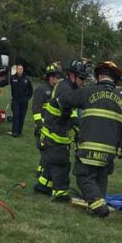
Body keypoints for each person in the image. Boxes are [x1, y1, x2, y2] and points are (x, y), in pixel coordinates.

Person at [57, 59, 122, 218]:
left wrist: (64, 113)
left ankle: (99, 208)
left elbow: (64, 100)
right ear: (115, 79)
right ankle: (99, 202)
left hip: (88, 149)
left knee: (84, 177)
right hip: (109, 152)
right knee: (101, 177)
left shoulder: (87, 92)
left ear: (98, 76)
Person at [31, 62, 75, 199]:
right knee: (48, 155)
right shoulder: (41, 90)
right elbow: (36, 110)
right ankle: (42, 176)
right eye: (54, 76)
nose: (55, 79)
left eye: (57, 76)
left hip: (54, 128)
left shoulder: (60, 89)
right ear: (49, 77)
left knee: (50, 157)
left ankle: (43, 183)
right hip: (45, 128)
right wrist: (40, 126)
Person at [0, 61, 33, 137]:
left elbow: (30, 90)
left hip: (24, 101)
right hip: (15, 100)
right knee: (16, 115)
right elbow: (3, 83)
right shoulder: (12, 78)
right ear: (16, 70)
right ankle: (14, 132)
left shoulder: (27, 79)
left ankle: (19, 132)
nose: (20, 70)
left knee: (22, 116)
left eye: (21, 69)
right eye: (19, 69)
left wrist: (28, 98)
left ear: (23, 70)